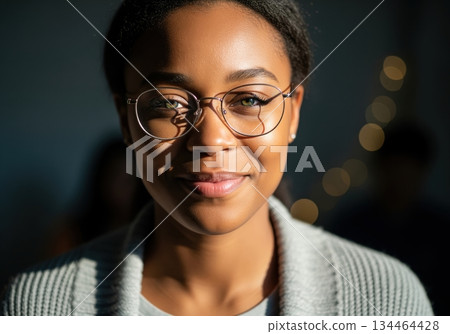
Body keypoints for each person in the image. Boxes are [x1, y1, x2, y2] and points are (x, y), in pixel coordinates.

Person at [1, 0, 432, 316]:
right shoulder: (41, 306)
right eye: (168, 104)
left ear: (293, 112)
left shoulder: (384, 297)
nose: (211, 141)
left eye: (248, 98)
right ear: (125, 119)